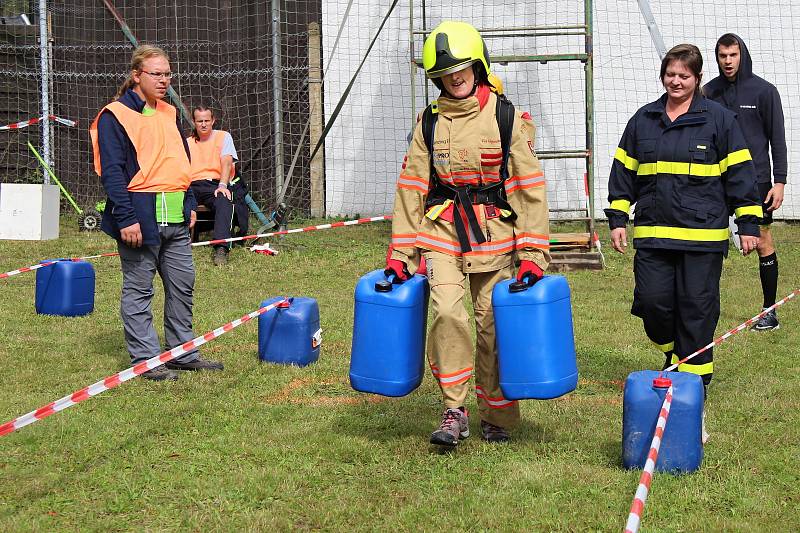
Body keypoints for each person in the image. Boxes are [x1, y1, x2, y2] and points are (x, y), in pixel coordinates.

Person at [387, 21, 550, 447]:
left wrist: (533, 253)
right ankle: (454, 410)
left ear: (478, 66)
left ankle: (496, 414)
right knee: (446, 313)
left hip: (495, 238)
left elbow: (528, 189)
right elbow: (411, 189)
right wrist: (401, 254)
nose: (455, 77)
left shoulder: (505, 116)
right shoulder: (429, 123)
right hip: (441, 233)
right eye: (446, 73)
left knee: (491, 327)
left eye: (462, 68)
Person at [605, 44, 762, 438]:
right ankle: (672, 354)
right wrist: (618, 217)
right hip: (655, 236)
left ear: (696, 79)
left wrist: (748, 224)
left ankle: (694, 401)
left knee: (697, 314)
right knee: (653, 305)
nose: (676, 81)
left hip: (702, 240)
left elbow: (741, 176)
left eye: (684, 76)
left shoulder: (720, 121)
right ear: (663, 75)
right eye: (670, 74)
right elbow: (624, 172)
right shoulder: (644, 119)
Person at [90, 45, 224, 381]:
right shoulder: (114, 115)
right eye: (156, 74)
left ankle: (182, 353)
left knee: (183, 285)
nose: (164, 80)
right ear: (137, 76)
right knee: (139, 291)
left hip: (176, 217)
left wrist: (190, 203)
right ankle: (146, 360)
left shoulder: (167, 112)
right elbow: (113, 173)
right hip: (139, 217)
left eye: (167, 74)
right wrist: (126, 218)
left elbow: (179, 163)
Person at [705, 33, 788, 331]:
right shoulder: (708, 92)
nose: (728, 61)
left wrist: (779, 182)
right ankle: (705, 308)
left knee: (763, 241)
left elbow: (777, 139)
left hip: (757, 182)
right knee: (709, 242)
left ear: (742, 55)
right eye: (722, 56)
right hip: (717, 182)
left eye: (733, 55)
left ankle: (770, 311)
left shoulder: (765, 92)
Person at [187, 105, 241, 265]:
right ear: (194, 122)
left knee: (224, 200)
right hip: (192, 185)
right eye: (199, 121)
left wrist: (223, 185)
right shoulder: (187, 142)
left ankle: (221, 248)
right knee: (179, 200)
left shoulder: (224, 137)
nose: (203, 124)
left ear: (213, 121)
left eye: (206, 120)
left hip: (215, 184)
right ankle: (179, 242)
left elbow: (226, 162)